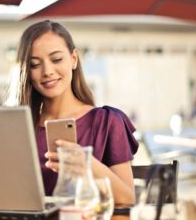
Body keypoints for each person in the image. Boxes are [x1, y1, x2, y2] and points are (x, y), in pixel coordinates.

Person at [15, 20, 139, 205]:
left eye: (56, 59)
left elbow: (128, 199)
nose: (47, 71)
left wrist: (87, 165)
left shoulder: (107, 121)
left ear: (74, 59)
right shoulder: (18, 128)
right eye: (34, 64)